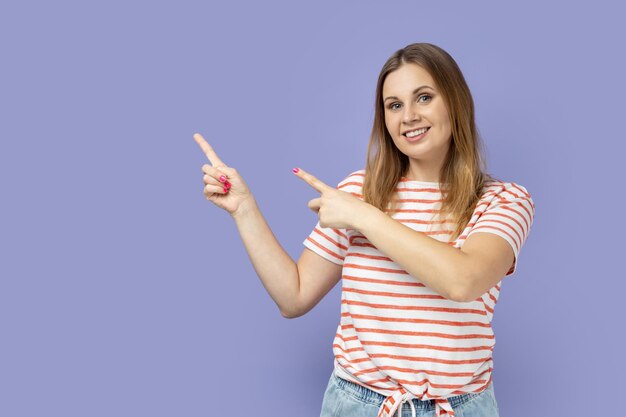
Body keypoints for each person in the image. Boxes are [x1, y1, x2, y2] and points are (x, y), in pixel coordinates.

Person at [193, 42, 534, 417]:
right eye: (394, 105)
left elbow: (463, 280)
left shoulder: (504, 200)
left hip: (461, 407)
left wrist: (364, 217)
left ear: (456, 102)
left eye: (424, 97)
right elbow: (294, 297)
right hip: (359, 405)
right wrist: (244, 209)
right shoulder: (359, 191)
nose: (408, 117)